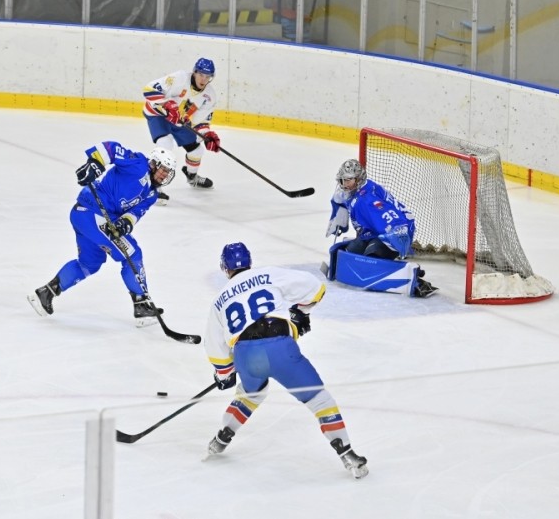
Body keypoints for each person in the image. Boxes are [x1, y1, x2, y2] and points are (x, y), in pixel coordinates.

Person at [203, 242, 369, 480]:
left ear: (224, 268)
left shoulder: (219, 300)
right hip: (281, 347)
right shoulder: (267, 275)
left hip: (246, 355)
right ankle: (347, 454)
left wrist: (224, 373)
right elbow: (316, 288)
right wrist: (299, 313)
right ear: (250, 262)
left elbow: (215, 346)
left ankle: (222, 437)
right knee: (319, 400)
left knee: (250, 395)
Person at [27, 141, 175, 326]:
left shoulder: (152, 194)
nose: (164, 175)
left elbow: (136, 213)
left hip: (88, 217)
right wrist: (95, 163)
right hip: (92, 213)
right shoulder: (138, 164)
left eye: (168, 172)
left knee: (90, 263)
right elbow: (111, 148)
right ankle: (142, 306)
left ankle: (45, 294)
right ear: (153, 163)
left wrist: (124, 223)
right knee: (132, 253)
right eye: (163, 169)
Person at [325, 159, 437, 297]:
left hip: (395, 231)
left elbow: (387, 216)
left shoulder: (367, 198)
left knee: (371, 259)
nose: (345, 184)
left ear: (359, 179)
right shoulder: (351, 191)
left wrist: (397, 235)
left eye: (349, 180)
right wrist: (339, 216)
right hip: (371, 232)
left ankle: (416, 280)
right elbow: (339, 199)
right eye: (343, 180)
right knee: (349, 253)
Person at [141, 57, 222, 198]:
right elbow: (149, 89)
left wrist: (206, 135)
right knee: (165, 144)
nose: (203, 79)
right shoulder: (179, 78)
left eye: (207, 76)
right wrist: (166, 103)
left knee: (197, 150)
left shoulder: (209, 96)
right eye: (201, 74)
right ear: (194, 72)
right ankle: (153, 185)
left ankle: (192, 177)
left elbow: (200, 122)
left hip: (180, 121)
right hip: (158, 114)